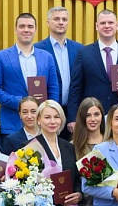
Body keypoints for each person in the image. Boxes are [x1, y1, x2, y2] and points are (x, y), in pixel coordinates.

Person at [67, 10, 118, 130]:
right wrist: (72, 118)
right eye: (103, 23)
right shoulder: (84, 53)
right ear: (97, 26)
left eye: (110, 23)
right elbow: (75, 88)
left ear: (117, 26)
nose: (107, 26)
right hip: (93, 116)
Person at [0, 12, 60, 135]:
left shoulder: (47, 57)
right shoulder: (1, 56)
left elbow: (54, 89)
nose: (26, 30)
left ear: (35, 30)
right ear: (15, 30)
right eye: (22, 26)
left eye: (30, 27)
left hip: (41, 125)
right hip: (12, 124)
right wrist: (20, 102)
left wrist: (48, 114)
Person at [34, 7, 83, 137]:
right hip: (48, 113)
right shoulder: (37, 49)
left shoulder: (79, 49)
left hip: (73, 111)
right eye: (56, 19)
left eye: (64, 19)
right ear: (48, 23)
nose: (61, 22)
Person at [33, 101, 83, 206]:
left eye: (56, 117)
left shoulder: (69, 147)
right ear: (39, 120)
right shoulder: (30, 147)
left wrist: (78, 194)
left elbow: (76, 178)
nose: (53, 121)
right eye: (47, 117)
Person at [71, 97, 105, 206]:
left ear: (102, 116)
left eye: (96, 114)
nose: (93, 119)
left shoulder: (111, 142)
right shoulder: (72, 146)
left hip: (108, 205)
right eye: (88, 115)